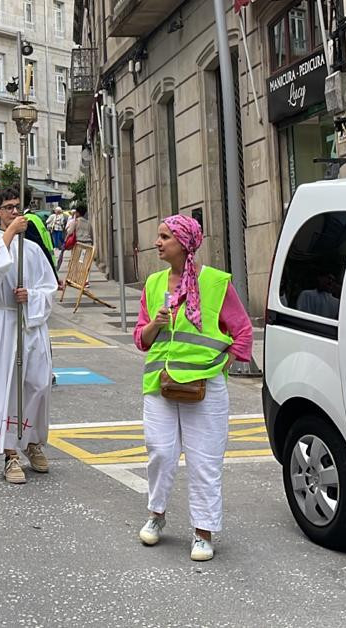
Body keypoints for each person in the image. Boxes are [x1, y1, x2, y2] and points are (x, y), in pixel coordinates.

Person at [132, 215, 254, 562]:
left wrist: (224, 364)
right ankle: (156, 514)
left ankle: (203, 532)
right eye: (158, 236)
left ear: (185, 243)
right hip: (161, 383)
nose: (157, 243)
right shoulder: (154, 283)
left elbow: (243, 331)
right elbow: (141, 339)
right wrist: (155, 324)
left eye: (164, 237)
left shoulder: (214, 282)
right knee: (160, 451)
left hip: (204, 387)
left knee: (205, 460)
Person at [0, 189, 59, 484]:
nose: (14, 211)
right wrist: (10, 233)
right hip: (4, 321)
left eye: (17, 207)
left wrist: (32, 296)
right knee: (7, 386)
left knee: (37, 383)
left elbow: (49, 287)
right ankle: (10, 453)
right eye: (8, 207)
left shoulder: (33, 250)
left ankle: (33, 442)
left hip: (31, 322)